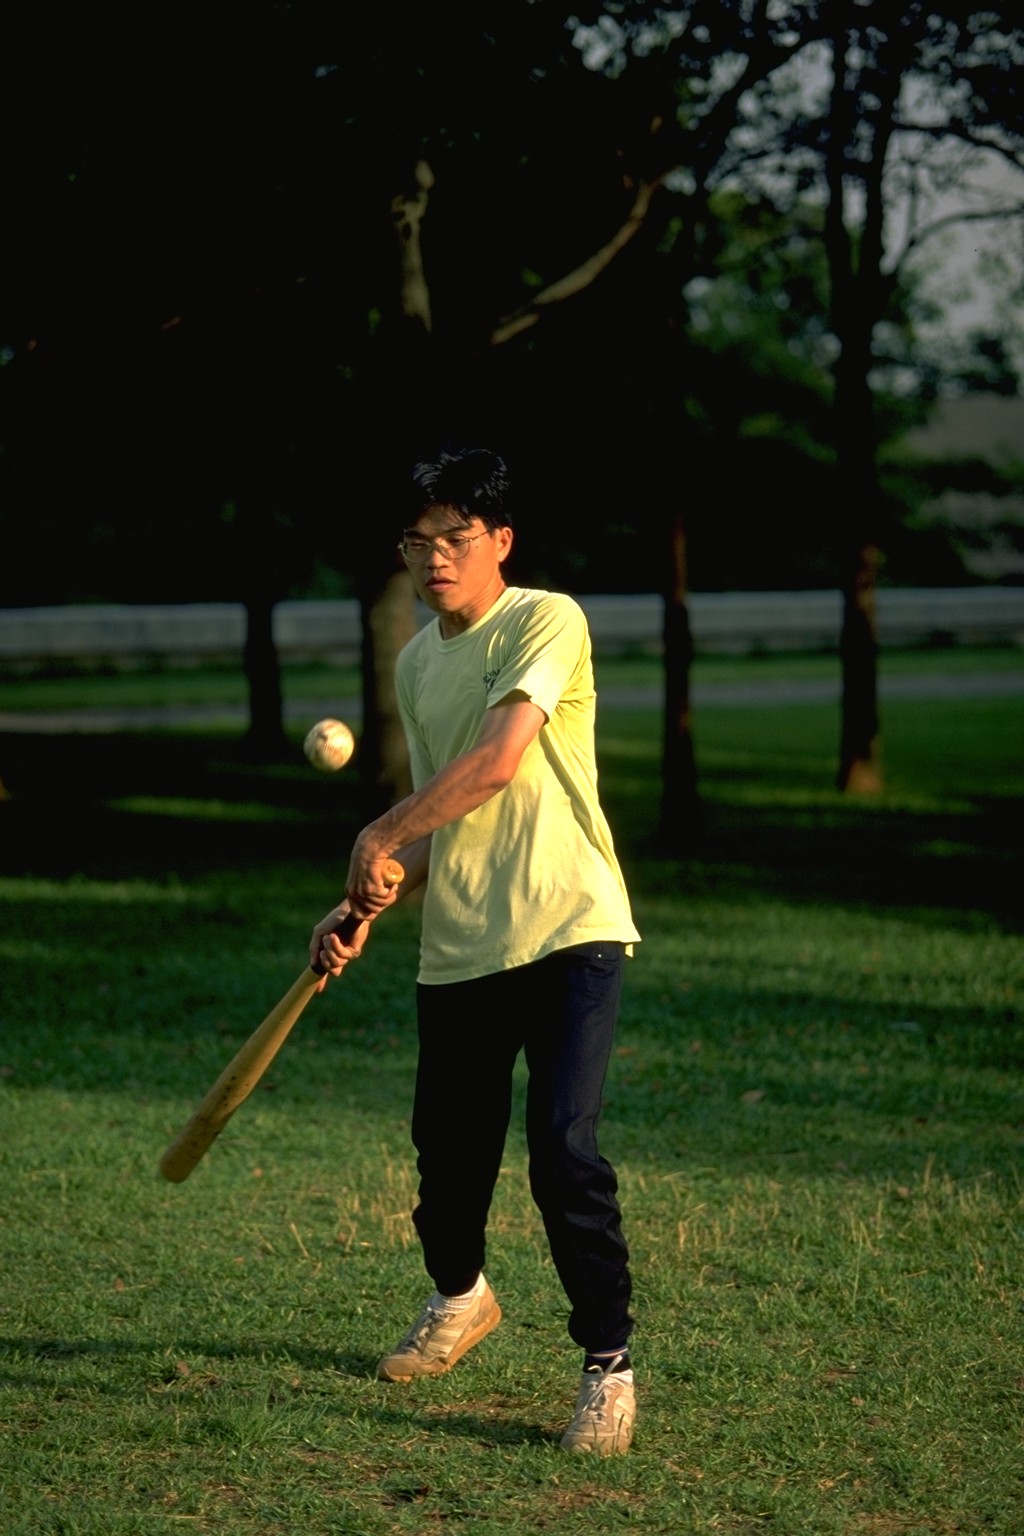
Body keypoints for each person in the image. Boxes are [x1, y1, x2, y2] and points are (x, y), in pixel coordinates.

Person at [310, 446, 641, 1455]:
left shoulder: (547, 618)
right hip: (459, 943)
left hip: (566, 927)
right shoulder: (417, 660)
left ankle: (607, 1365)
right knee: (446, 1165)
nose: (434, 557)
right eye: (417, 541)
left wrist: (378, 832)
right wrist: (363, 897)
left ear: (499, 541)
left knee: (562, 1152)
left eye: (454, 537)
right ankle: (461, 1298)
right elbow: (443, 809)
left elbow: (497, 763)